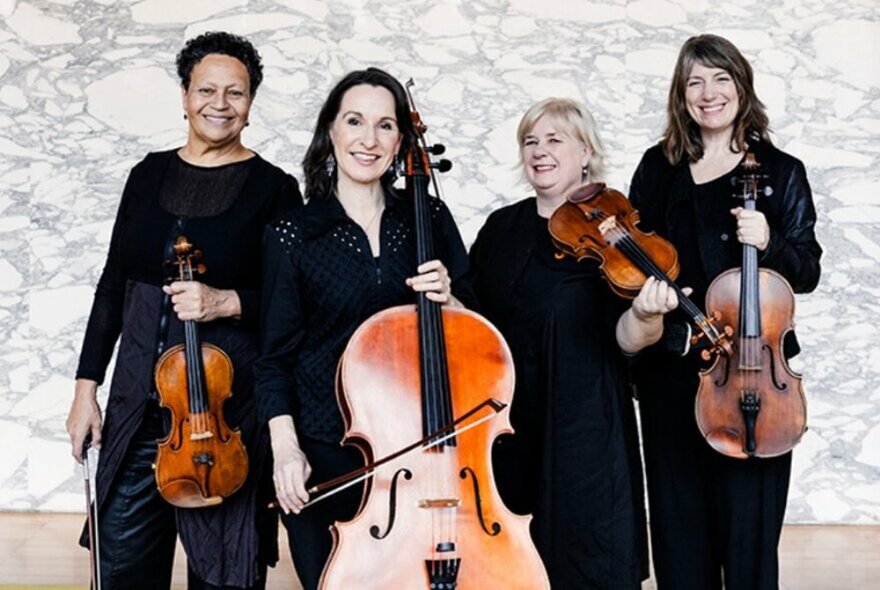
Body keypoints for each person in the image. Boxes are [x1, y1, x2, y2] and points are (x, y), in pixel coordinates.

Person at [64, 31, 301, 589]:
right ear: (184, 95)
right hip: (137, 412)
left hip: (224, 421)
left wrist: (228, 301)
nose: (220, 104)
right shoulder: (146, 176)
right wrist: (84, 390)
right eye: (207, 90)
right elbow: (111, 288)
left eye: (236, 93)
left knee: (223, 575)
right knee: (121, 571)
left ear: (251, 104)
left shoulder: (275, 189)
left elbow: (296, 308)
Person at [254, 67, 474, 590]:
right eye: (355, 121)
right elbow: (273, 359)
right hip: (324, 451)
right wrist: (286, 450)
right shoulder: (292, 236)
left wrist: (453, 299)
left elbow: (479, 336)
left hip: (422, 455)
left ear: (401, 140)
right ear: (331, 130)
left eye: (385, 125)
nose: (369, 140)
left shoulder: (430, 218)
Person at [617, 34, 822, 589]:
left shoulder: (782, 171)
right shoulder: (657, 169)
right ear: (681, 96)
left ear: (742, 85)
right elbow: (634, 258)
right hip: (673, 377)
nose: (708, 94)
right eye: (694, 82)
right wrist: (645, 298)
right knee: (681, 541)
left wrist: (772, 241)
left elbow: (807, 270)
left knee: (750, 543)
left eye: (720, 79)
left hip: (754, 379)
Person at [465, 97, 649, 589]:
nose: (539, 151)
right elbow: (471, 320)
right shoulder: (501, 228)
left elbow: (632, 341)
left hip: (584, 433)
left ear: (585, 152)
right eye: (530, 141)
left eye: (554, 139)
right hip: (507, 430)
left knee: (585, 563)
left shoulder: (614, 231)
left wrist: (647, 311)